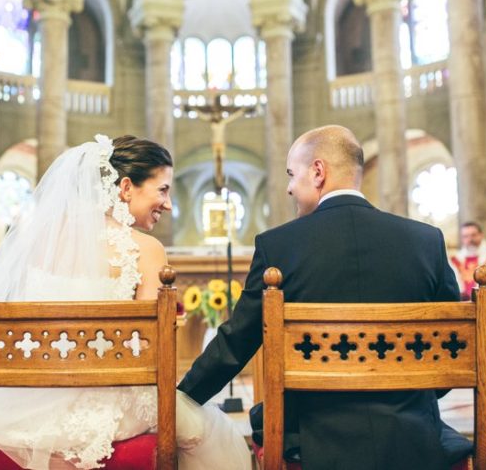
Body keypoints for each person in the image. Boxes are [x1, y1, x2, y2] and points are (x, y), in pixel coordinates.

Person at [0, 134, 250, 470]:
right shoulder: (147, 251)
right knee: (208, 432)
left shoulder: (39, 244)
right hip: (108, 407)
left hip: (21, 402)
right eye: (163, 190)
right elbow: (147, 353)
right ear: (126, 187)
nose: (167, 204)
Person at [178, 125, 469, 470]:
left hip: (312, 437)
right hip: (413, 433)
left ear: (317, 172)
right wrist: (410, 395)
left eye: (291, 174)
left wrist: (181, 398)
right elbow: (456, 347)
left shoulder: (278, 247)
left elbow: (237, 341)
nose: (288, 187)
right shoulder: (426, 241)